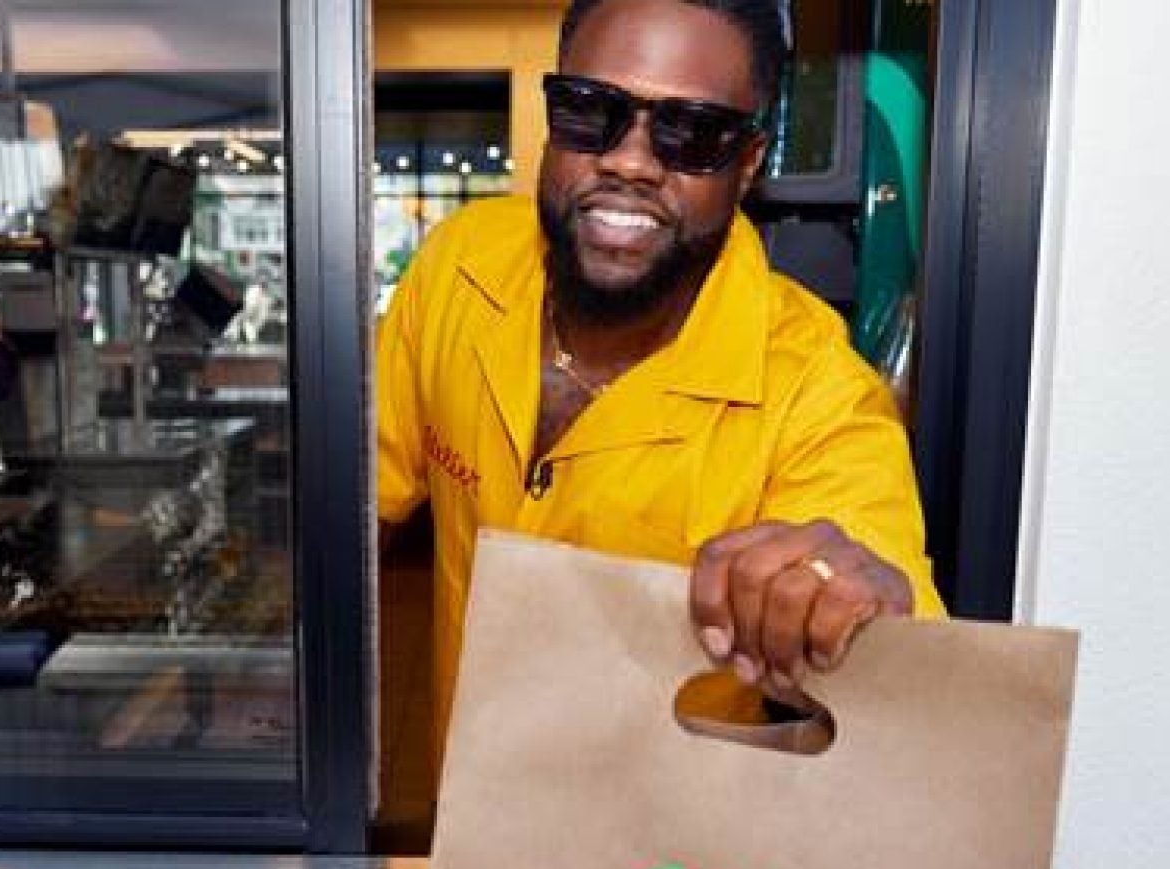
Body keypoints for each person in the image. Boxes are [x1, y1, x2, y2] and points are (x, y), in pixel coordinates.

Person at [377, 0, 945, 749]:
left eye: (695, 132)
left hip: (671, 856)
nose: (631, 161)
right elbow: (356, 503)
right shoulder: (459, 268)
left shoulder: (817, 391)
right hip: (466, 805)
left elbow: (905, 656)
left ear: (747, 165)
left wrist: (858, 603)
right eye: (589, 111)